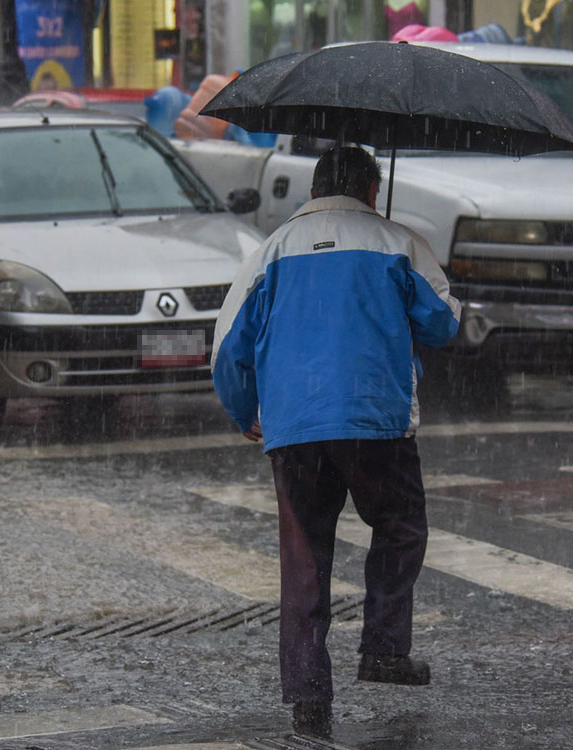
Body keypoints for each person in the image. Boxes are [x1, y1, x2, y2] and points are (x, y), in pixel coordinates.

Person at [210, 146, 460, 733]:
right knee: (399, 526)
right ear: (372, 190)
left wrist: (244, 409)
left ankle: (307, 693)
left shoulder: (269, 252)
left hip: (294, 428)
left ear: (314, 191)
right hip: (374, 418)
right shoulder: (397, 243)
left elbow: (227, 346)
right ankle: (383, 647)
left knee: (304, 557)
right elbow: (443, 322)